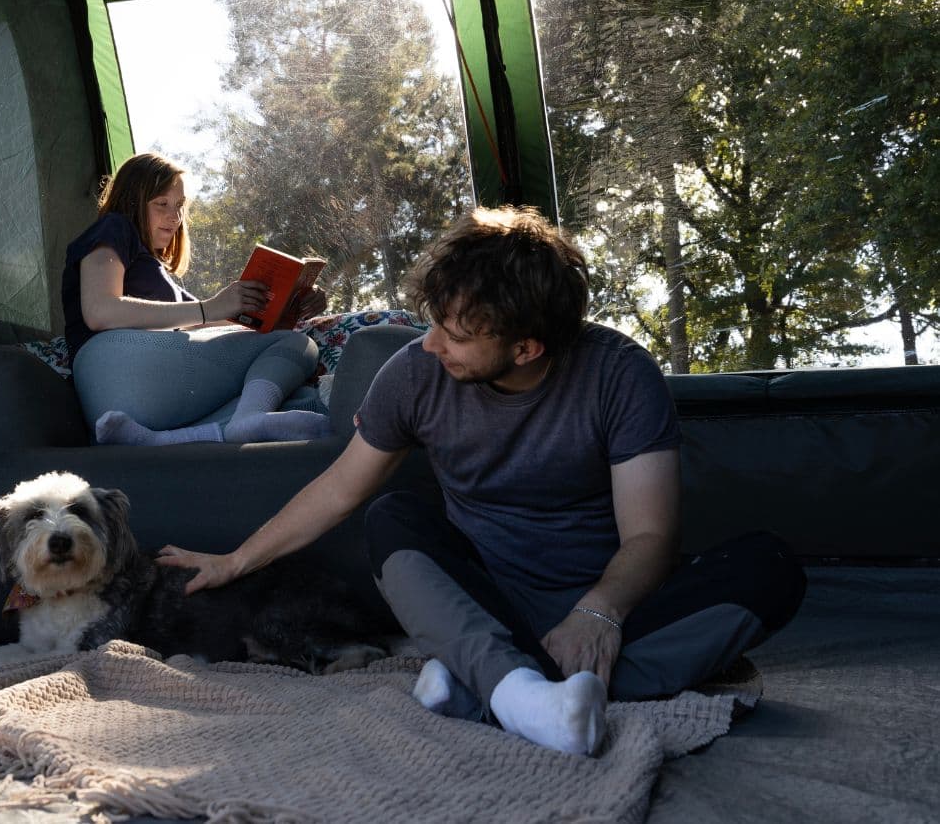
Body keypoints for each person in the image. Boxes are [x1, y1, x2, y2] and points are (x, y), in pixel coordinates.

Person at [156, 206, 806, 754]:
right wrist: (237, 560)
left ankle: (491, 682)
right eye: (436, 321)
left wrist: (598, 612)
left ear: (526, 348)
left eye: (457, 334)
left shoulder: (619, 374)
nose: (432, 344)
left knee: (771, 567)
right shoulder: (414, 372)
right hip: (481, 603)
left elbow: (652, 536)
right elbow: (340, 490)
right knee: (392, 517)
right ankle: (526, 692)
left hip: (614, 613)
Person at [63, 152, 332, 446]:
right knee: (297, 344)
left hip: (113, 397)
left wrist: (285, 305)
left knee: (299, 399)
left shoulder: (155, 272)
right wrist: (208, 308)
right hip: (113, 364)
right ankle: (246, 420)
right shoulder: (114, 226)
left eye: (180, 206)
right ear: (131, 201)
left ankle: (161, 439)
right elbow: (100, 311)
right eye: (161, 204)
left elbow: (211, 322)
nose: (175, 217)